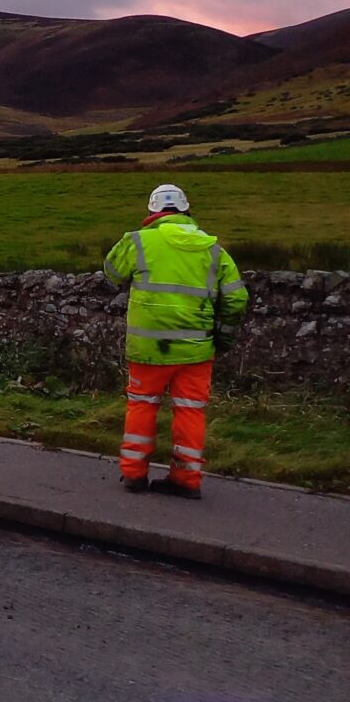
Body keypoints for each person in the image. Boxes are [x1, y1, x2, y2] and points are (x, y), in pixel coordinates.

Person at [103, 184, 248, 499]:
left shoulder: (138, 242)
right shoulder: (214, 250)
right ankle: (186, 479)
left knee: (142, 406)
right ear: (186, 211)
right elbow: (236, 300)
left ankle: (134, 475)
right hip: (197, 351)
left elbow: (112, 272)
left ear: (153, 212)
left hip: (148, 349)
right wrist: (222, 339)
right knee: (190, 411)